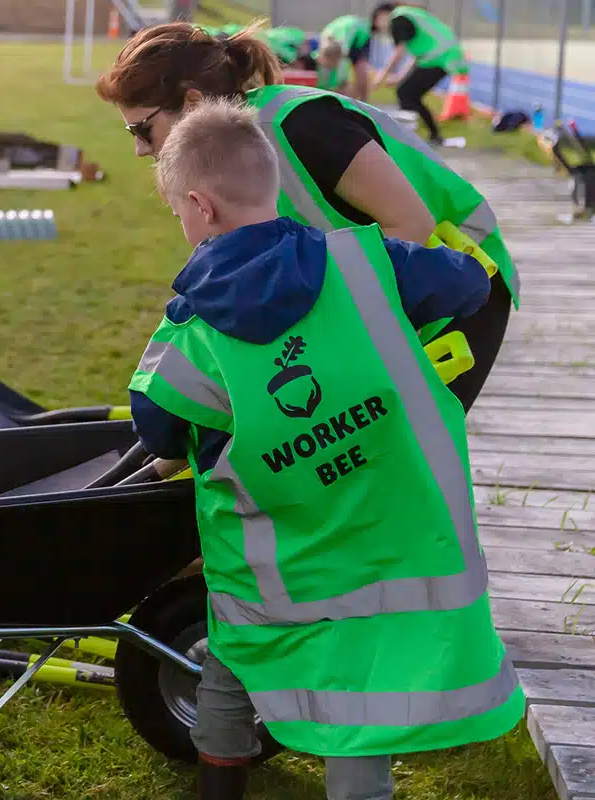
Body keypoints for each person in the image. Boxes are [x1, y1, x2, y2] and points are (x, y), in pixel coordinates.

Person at [130, 97, 524, 800]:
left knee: (233, 662)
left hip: (277, 576)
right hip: (390, 553)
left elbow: (155, 426)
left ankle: (218, 789)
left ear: (199, 206)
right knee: (365, 699)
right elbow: (467, 285)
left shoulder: (188, 337)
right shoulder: (373, 267)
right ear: (274, 183)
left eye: (178, 213)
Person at [95, 22, 519, 414]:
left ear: (191, 102)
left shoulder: (300, 125)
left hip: (464, 285)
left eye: (141, 130)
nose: (139, 149)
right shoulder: (226, 151)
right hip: (404, 285)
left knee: (395, 457)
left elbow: (414, 227)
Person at [371, 3, 467, 145]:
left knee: (406, 93)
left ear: (381, 15)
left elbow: (399, 52)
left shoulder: (397, 19)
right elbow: (416, 55)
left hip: (441, 58)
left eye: (377, 25)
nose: (382, 30)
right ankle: (430, 135)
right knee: (409, 94)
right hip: (442, 57)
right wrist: (399, 77)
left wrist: (381, 76)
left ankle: (409, 136)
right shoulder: (408, 16)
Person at [319, 13, 373, 101]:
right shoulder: (327, 39)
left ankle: (361, 101)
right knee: (346, 74)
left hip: (359, 34)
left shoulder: (343, 44)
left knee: (358, 71)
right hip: (356, 30)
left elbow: (342, 77)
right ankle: (360, 100)